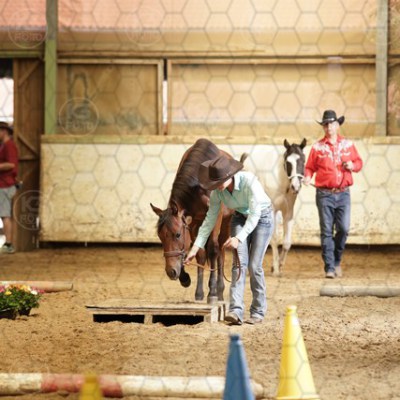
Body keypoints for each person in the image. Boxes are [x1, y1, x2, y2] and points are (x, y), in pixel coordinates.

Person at [185, 154, 274, 325]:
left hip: (262, 218)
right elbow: (209, 221)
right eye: (214, 183)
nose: (217, 186)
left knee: (254, 265)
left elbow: (255, 214)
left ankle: (258, 311)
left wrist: (238, 238)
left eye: (219, 181)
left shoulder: (249, 182)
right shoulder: (217, 193)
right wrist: (195, 249)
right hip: (239, 217)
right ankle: (236, 311)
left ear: (229, 175)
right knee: (238, 264)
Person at [304, 110, 363, 278]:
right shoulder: (317, 147)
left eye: (331, 123)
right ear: (323, 127)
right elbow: (309, 167)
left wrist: (352, 165)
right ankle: (329, 267)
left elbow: (359, 162)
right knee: (326, 231)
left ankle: (337, 260)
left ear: (337, 125)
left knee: (343, 229)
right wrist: (307, 177)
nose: (329, 127)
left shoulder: (348, 145)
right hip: (324, 194)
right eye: (326, 124)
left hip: (343, 193)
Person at [0, 122, 19, 254]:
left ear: (4, 131)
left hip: (5, 184)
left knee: (5, 214)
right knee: (4, 214)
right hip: (4, 183)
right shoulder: (4, 145)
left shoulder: (9, 146)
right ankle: (8, 243)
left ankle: (8, 243)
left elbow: (12, 164)